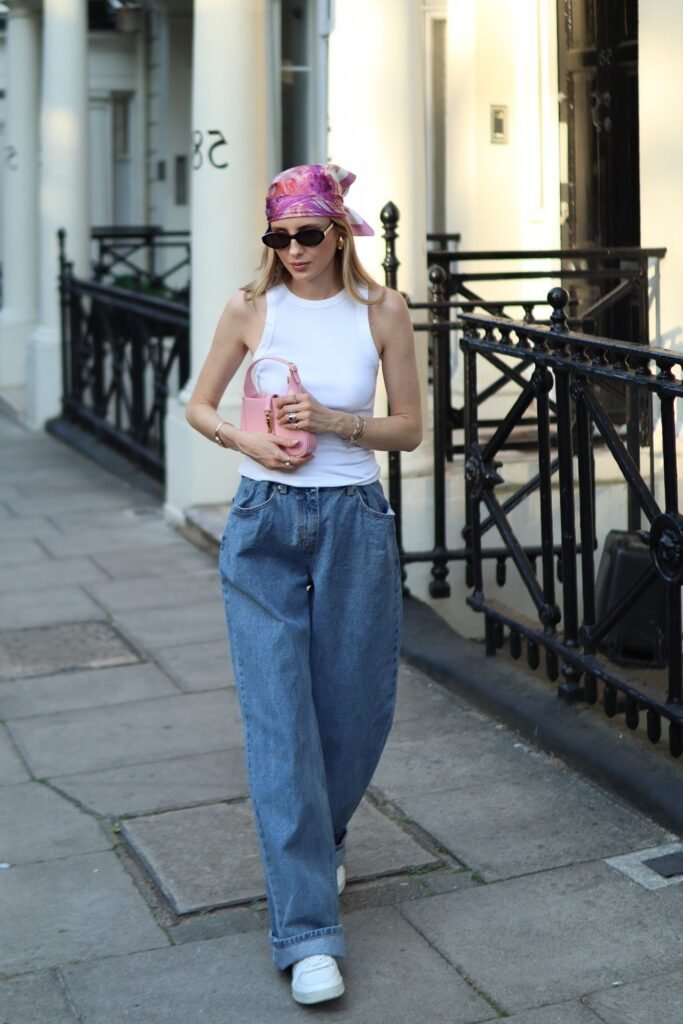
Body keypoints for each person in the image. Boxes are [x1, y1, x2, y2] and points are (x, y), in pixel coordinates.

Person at [186, 163, 422, 1005]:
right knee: (279, 722)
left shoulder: (381, 310)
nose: (292, 251)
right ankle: (307, 931)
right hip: (264, 525)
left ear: (340, 232)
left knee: (356, 711)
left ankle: (319, 842)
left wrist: (331, 422)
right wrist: (245, 446)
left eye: (307, 234)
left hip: (353, 522)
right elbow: (198, 404)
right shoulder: (251, 309)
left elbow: (410, 428)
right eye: (277, 236)